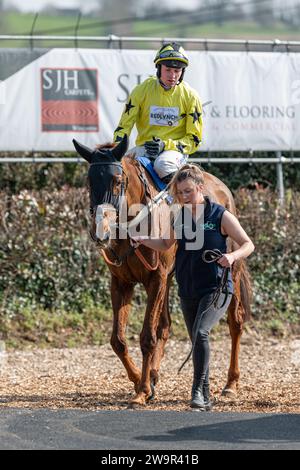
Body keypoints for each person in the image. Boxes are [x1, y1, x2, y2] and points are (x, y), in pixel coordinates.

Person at [130, 164, 255, 410]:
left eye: (188, 191)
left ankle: (197, 391)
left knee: (201, 333)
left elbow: (247, 244)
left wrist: (232, 257)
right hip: (188, 287)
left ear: (200, 188)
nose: (184, 197)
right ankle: (205, 395)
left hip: (217, 287)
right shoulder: (179, 216)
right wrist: (143, 239)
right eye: (180, 193)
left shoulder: (220, 215)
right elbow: (166, 243)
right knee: (196, 339)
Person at [114, 42, 203, 183]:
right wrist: (115, 151)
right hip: (144, 149)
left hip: (174, 152)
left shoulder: (191, 96)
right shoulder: (141, 91)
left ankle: (177, 202)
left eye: (177, 71)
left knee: (163, 165)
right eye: (168, 70)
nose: (173, 76)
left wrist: (165, 145)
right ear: (158, 68)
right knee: (117, 167)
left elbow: (194, 140)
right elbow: (124, 127)